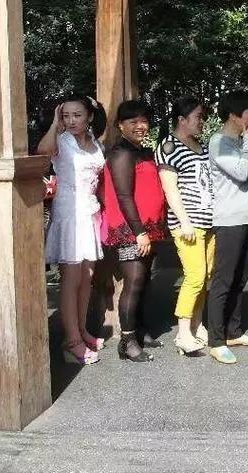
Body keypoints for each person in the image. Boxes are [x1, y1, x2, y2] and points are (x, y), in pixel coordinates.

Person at [36, 95, 107, 365]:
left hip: (90, 211)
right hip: (69, 211)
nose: (71, 120)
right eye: (66, 115)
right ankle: (72, 340)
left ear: (89, 116)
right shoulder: (61, 140)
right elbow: (42, 151)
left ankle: (82, 330)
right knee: (71, 278)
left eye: (77, 115)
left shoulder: (96, 143)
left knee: (87, 277)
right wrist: (55, 125)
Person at [100, 100, 167, 363]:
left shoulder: (141, 151)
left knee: (145, 279)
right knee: (134, 281)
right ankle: (127, 342)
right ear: (120, 125)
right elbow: (124, 196)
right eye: (133, 122)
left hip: (148, 227)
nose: (140, 126)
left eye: (143, 121)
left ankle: (139, 330)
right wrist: (139, 231)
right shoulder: (121, 154)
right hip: (131, 229)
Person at [155, 97, 217, 356]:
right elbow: (170, 190)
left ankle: (197, 324)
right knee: (194, 276)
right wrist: (184, 221)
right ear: (181, 119)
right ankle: (183, 333)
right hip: (188, 224)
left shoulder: (200, 145)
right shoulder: (168, 147)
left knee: (206, 276)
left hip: (208, 221)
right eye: (198, 117)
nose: (202, 121)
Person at [205, 92, 248, 364]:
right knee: (223, 280)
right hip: (228, 220)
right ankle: (216, 340)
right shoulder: (219, 142)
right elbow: (240, 171)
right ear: (233, 115)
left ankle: (233, 331)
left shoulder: (240, 142)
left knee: (240, 277)